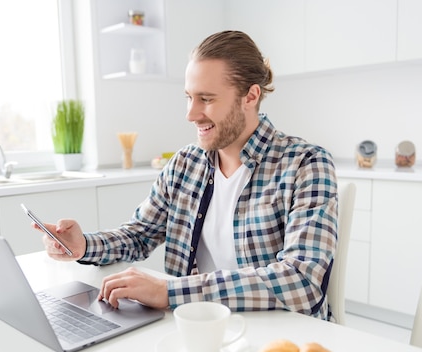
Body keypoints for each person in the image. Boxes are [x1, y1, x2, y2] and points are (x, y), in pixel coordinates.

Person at [36, 30, 338, 320]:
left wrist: (171, 291)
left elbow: (302, 281)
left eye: (206, 99)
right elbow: (140, 234)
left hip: (282, 341)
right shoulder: (185, 164)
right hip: (199, 331)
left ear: (250, 96)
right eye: (189, 97)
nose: (191, 114)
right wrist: (84, 246)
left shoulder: (305, 164)